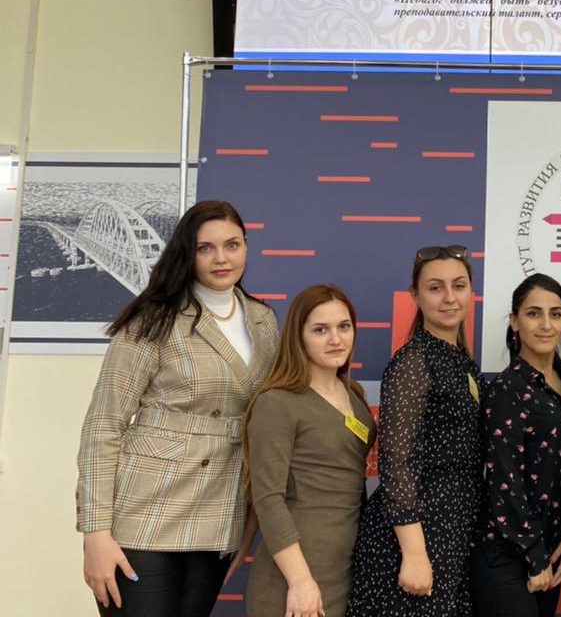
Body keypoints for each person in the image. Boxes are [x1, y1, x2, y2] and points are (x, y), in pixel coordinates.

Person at [76, 200, 280, 616]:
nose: (221, 258)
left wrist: (247, 526)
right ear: (187, 253)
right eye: (206, 248)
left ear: (246, 246)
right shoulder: (154, 318)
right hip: (144, 512)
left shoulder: (264, 321)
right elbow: (104, 425)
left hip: (218, 514)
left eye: (232, 245)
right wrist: (95, 532)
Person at [348, 245, 482, 617]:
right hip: (413, 538)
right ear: (416, 296)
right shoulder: (413, 361)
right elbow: (395, 460)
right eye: (435, 287)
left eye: (459, 285)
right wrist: (414, 553)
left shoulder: (461, 362)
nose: (449, 297)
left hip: (451, 533)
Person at [244, 284, 376, 617]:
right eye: (320, 330)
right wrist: (300, 581)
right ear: (298, 336)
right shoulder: (277, 403)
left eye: (344, 326)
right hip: (295, 578)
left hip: (347, 571)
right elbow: (268, 499)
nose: (336, 339)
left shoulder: (355, 396)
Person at [471, 274, 561, 617]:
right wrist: (534, 555)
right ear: (514, 321)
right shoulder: (507, 389)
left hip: (550, 549)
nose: (546, 324)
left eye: (555, 314)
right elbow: (504, 480)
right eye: (533, 313)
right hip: (508, 556)